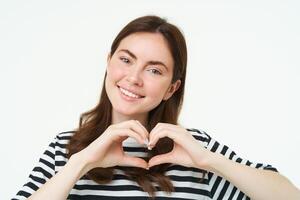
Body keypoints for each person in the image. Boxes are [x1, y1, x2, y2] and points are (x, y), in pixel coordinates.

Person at [13, 15, 300, 200]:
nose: (134, 78)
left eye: (154, 70)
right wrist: (81, 163)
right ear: (109, 61)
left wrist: (209, 161)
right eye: (126, 60)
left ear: (171, 89)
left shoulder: (191, 149)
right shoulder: (66, 149)